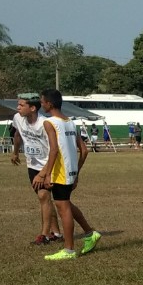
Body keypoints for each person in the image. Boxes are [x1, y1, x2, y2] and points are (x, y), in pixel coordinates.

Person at [34, 88, 102, 261]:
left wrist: (47, 174)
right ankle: (90, 233)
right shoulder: (71, 122)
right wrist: (76, 173)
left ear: (49, 104)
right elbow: (84, 150)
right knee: (66, 204)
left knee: (63, 209)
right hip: (70, 171)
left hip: (60, 173)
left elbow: (54, 150)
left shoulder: (49, 123)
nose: (41, 105)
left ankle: (69, 250)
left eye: (42, 102)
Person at [10, 94, 60, 246]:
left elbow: (54, 149)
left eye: (21, 105)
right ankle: (56, 233)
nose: (18, 108)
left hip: (47, 165)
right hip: (32, 166)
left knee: (43, 197)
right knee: (45, 200)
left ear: (32, 108)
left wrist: (45, 172)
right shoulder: (18, 118)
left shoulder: (45, 124)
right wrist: (15, 151)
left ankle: (44, 235)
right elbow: (18, 134)